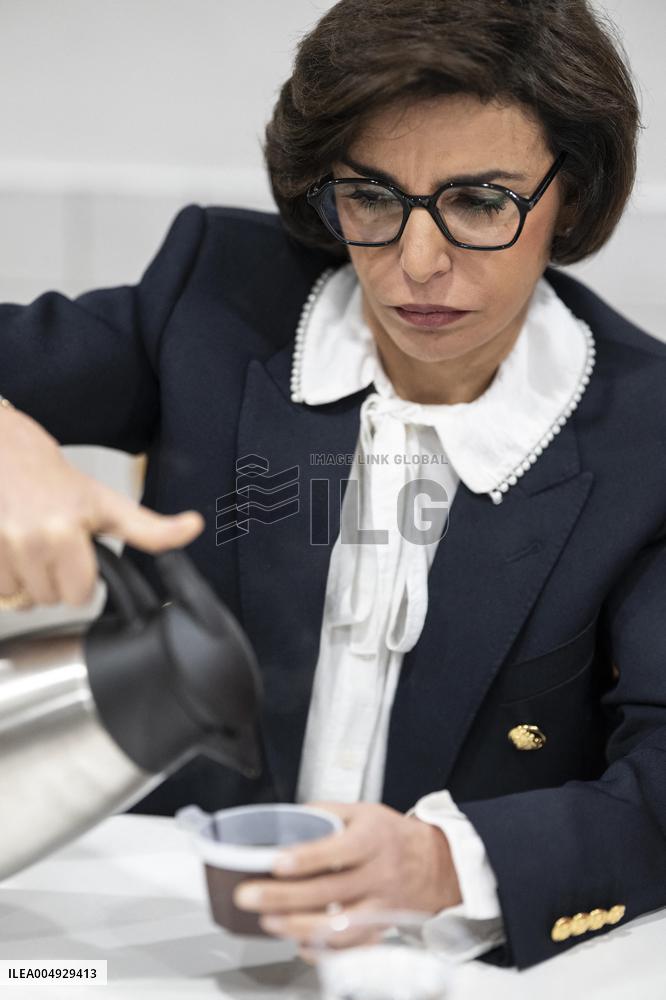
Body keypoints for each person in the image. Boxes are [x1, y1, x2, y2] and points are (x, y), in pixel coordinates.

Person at [0, 0, 664, 973]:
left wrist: (442, 861)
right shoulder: (219, 298)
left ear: (571, 196)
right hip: (149, 930)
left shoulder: (645, 433)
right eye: (372, 198)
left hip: (447, 965)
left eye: (482, 202)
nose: (417, 263)